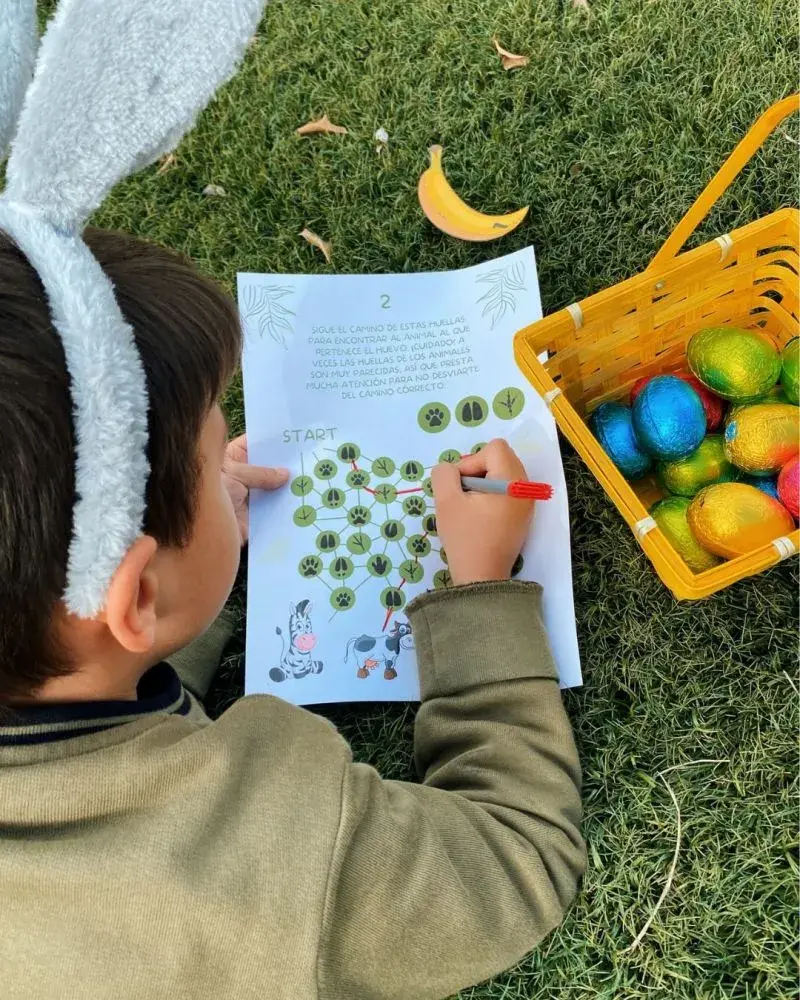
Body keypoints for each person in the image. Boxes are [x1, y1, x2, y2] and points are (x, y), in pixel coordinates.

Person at [0, 227, 584, 999]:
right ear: (136, 595)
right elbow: (517, 859)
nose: (234, 462)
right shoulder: (267, 868)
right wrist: (476, 588)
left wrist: (185, 587)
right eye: (214, 464)